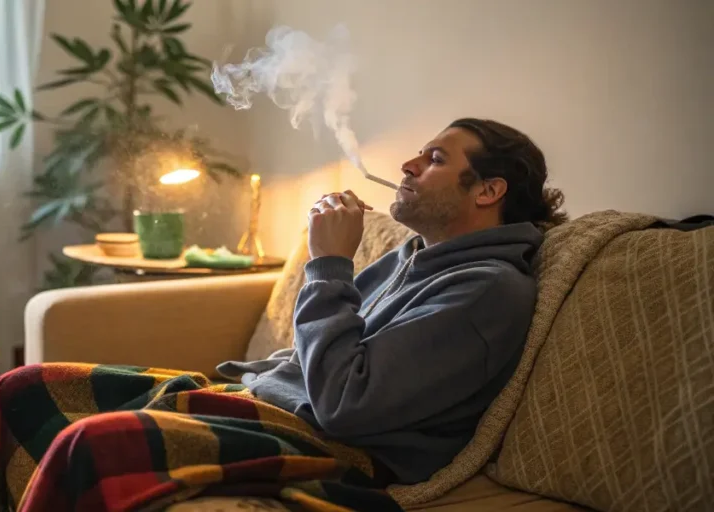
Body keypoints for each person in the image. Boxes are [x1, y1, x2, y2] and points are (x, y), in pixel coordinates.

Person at [217, 117, 568, 485]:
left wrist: (328, 265)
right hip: (277, 407)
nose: (408, 166)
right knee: (150, 387)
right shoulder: (414, 255)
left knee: (149, 433)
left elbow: (343, 405)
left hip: (331, 448)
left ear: (487, 191)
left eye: (434, 159)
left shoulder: (488, 291)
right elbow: (316, 361)